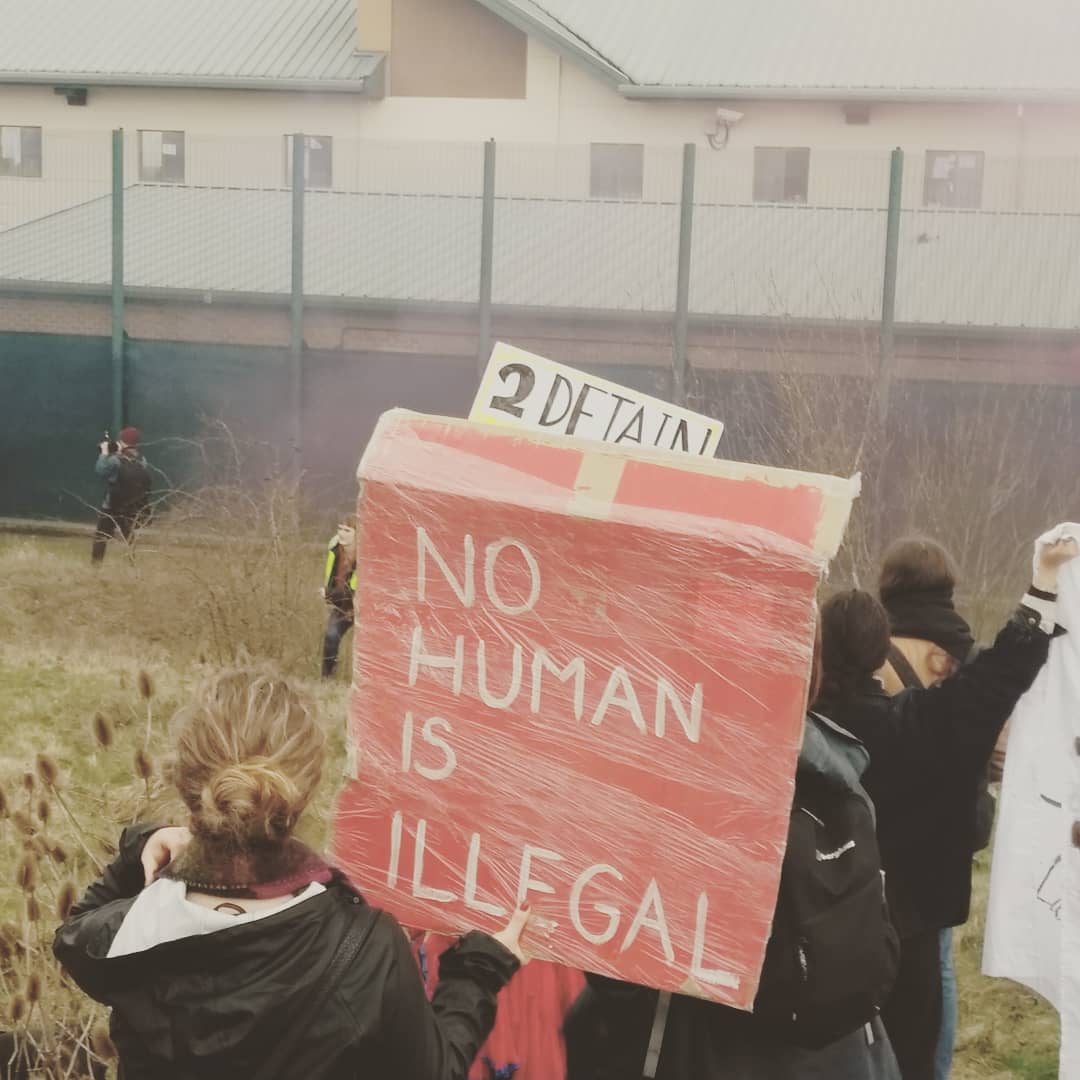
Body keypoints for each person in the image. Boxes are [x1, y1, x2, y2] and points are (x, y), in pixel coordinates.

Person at [54, 668, 529, 1079]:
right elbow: (435, 1070)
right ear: (306, 791)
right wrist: (479, 970)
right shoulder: (367, 950)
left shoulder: (127, 935)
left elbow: (73, 933)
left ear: (186, 782)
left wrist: (142, 844)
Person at [563, 626, 902, 1080]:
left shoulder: (679, 793)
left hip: (702, 1054)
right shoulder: (844, 779)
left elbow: (620, 965)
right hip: (844, 1060)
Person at [817, 529, 1077, 1080]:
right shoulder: (912, 725)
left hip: (821, 923)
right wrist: (1042, 590)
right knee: (917, 1033)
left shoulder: (794, 732)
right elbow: (997, 678)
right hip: (912, 908)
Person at [875, 538, 990, 1080]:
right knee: (938, 959)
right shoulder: (966, 653)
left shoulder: (874, 646)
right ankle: (933, 1069)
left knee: (886, 955)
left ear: (890, 583)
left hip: (889, 825)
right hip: (951, 826)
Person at [91, 425, 151, 564]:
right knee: (129, 538)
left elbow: (100, 470)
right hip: (131, 506)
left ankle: (95, 565)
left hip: (111, 505)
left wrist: (104, 453)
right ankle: (133, 564)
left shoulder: (115, 460)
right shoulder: (142, 461)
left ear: (122, 441)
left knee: (101, 536)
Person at [322, 515, 357, 678]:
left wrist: (329, 594)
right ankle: (327, 679)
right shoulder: (335, 549)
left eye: (347, 530)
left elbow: (354, 592)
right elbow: (331, 577)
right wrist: (329, 595)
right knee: (331, 636)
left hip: (360, 605)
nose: (342, 533)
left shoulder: (364, 556)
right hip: (341, 605)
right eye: (340, 529)